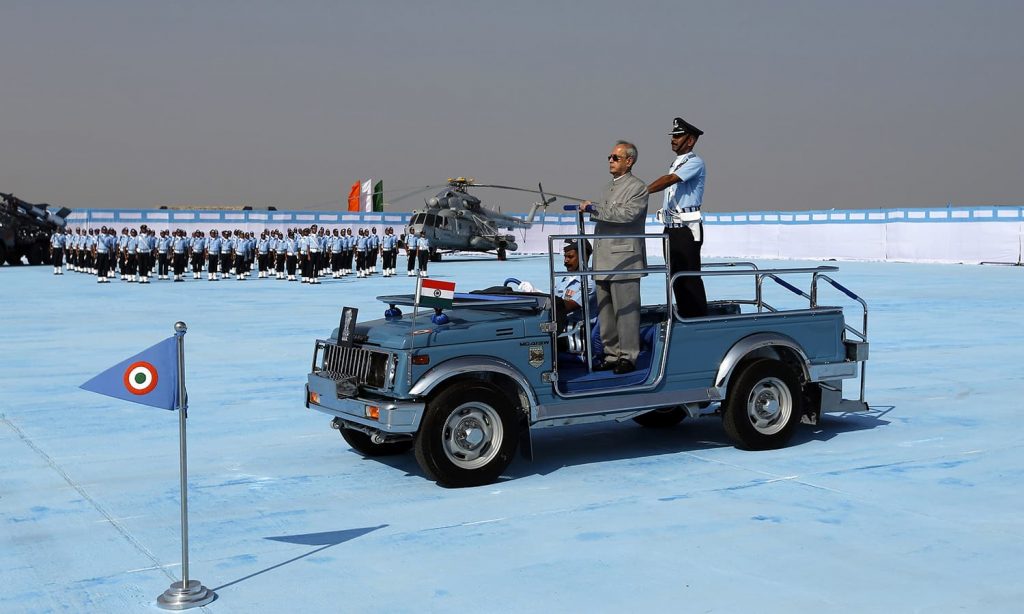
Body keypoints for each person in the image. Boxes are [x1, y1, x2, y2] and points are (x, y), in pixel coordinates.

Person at [576, 140, 648, 374]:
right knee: (605, 312)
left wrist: (594, 209)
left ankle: (628, 356)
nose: (610, 160)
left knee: (626, 313)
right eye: (609, 157)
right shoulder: (607, 188)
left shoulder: (638, 187)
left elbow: (627, 214)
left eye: (615, 157)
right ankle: (611, 354)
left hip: (624, 260)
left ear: (629, 161)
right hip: (603, 259)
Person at [647, 116, 708, 318]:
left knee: (689, 279)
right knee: (675, 278)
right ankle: (684, 315)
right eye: (673, 136)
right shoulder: (676, 163)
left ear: (690, 140)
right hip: (671, 229)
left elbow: (670, 180)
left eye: (678, 136)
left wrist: (642, 191)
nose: (673, 139)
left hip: (685, 230)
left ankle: (697, 319)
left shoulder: (694, 162)